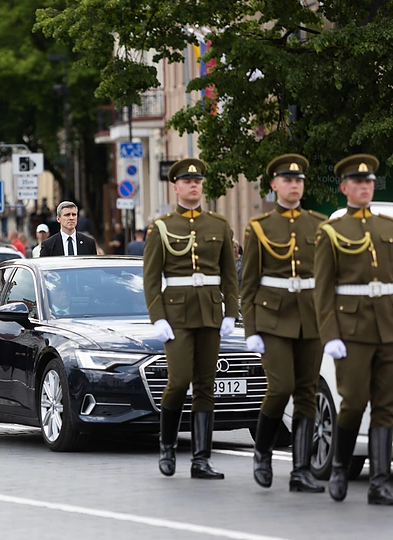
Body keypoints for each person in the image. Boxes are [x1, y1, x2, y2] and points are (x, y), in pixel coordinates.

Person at [143, 158, 239, 479]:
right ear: (176, 187)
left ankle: (201, 460)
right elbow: (151, 278)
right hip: (177, 315)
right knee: (179, 381)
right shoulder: (162, 227)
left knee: (206, 386)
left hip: (210, 312)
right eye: (187, 181)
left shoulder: (218, 225)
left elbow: (229, 275)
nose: (193, 185)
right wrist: (158, 317)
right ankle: (167, 447)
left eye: (197, 181)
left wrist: (232, 313)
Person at [241, 154, 326, 493]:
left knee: (307, 392)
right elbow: (248, 283)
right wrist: (250, 330)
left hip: (311, 317)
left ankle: (300, 470)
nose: (294, 185)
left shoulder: (319, 224)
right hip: (273, 319)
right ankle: (262, 453)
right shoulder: (260, 227)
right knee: (281, 387)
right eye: (288, 180)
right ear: (274, 185)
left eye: (299, 180)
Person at [314, 154, 393, 505]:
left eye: (369, 182)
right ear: (345, 187)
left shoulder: (388, 228)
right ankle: (340, 466)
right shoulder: (331, 231)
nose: (365, 187)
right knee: (354, 402)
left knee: (386, 406)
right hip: (352, 330)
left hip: (388, 327)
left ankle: (380, 482)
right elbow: (322, 290)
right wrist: (330, 335)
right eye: (358, 182)